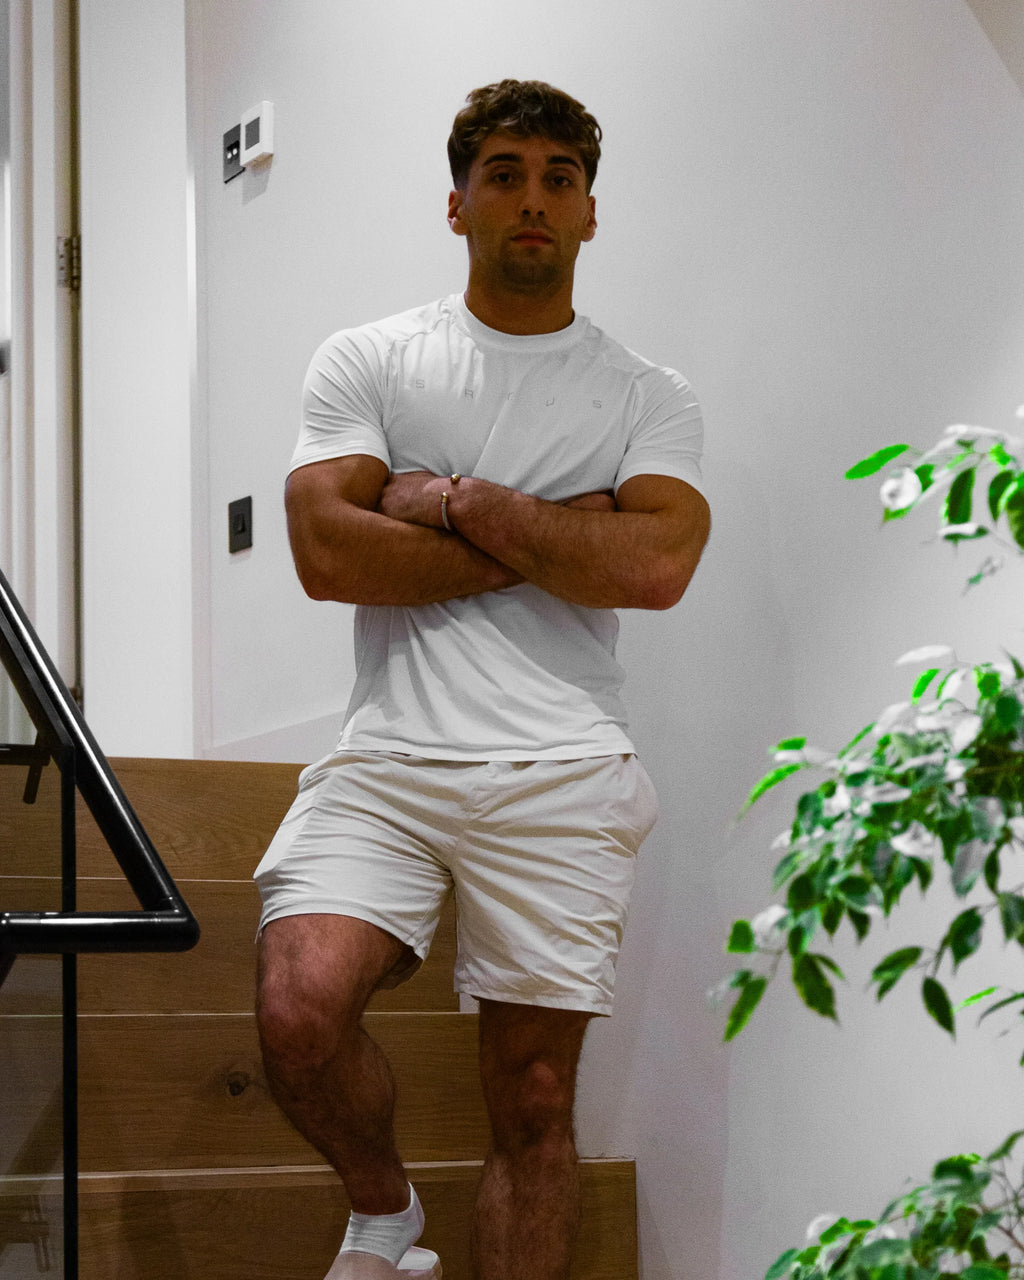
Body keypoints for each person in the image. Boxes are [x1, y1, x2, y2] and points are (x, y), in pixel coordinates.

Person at [253, 79, 711, 1280]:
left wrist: (454, 499)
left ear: (590, 217)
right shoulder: (371, 359)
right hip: (387, 757)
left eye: (560, 179)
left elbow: (655, 565)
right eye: (504, 173)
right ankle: (385, 1210)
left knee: (536, 1095)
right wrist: (566, 537)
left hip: (563, 763)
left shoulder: (644, 394)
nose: (532, 200)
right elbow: (324, 551)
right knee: (299, 1009)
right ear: (456, 204)